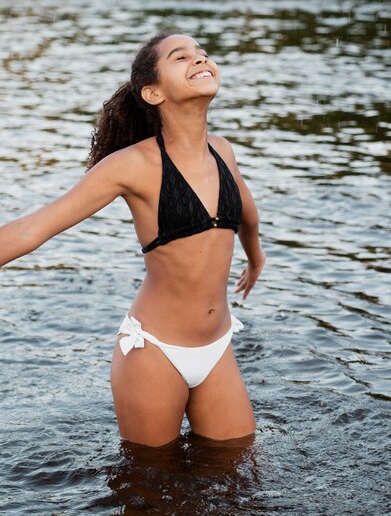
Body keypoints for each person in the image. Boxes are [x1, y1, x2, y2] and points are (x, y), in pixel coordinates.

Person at [0, 33, 266, 447]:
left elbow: (246, 212)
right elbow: (35, 228)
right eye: (182, 58)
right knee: (148, 490)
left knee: (241, 472)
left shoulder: (222, 151)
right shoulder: (131, 165)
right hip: (153, 352)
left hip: (217, 348)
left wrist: (255, 255)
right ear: (153, 92)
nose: (200, 60)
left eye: (203, 54)